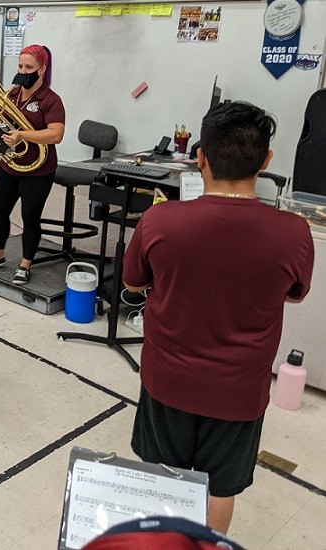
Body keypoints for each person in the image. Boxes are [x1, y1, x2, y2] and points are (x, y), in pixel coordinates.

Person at [123, 101, 314, 533]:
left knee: (162, 482)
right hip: (238, 393)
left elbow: (133, 284)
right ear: (266, 161)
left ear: (201, 157)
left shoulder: (159, 220)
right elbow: (296, 296)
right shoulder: (294, 232)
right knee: (219, 490)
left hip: (166, 381)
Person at [0, 44, 65, 286]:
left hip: (39, 170)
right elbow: (0, 123)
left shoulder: (51, 100)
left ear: (42, 69)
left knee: (30, 218)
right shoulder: (12, 94)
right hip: (10, 165)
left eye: (29, 67)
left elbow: (56, 134)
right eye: (20, 66)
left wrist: (22, 134)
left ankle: (25, 264)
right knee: (0, 210)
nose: (23, 71)